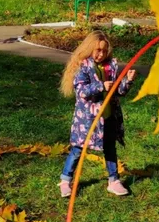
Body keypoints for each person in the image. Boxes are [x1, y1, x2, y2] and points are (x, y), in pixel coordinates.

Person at [58, 30, 136, 197]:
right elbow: (82, 91)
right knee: (78, 149)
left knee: (110, 148)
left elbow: (118, 91)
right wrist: (101, 86)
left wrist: (127, 81)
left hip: (108, 117)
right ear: (89, 49)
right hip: (86, 119)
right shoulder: (83, 67)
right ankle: (65, 180)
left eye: (103, 50)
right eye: (97, 50)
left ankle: (113, 181)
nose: (101, 54)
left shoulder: (110, 66)